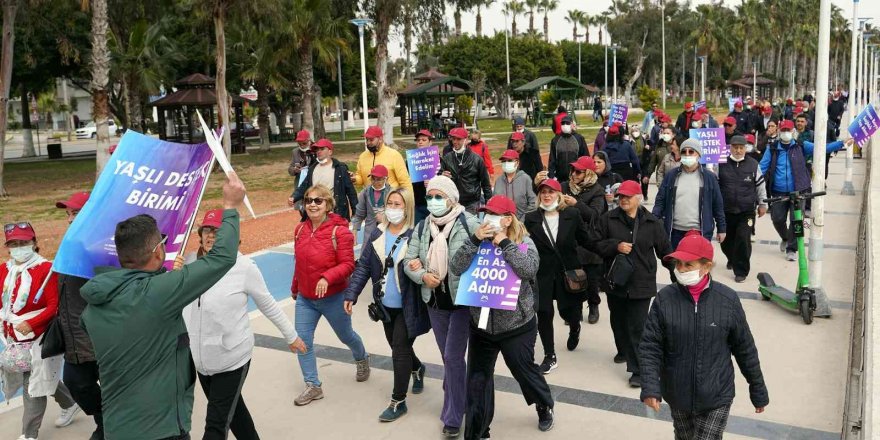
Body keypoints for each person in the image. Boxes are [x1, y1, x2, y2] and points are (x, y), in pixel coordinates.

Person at [79, 173, 246, 440]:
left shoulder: (93, 306)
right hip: (162, 429)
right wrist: (230, 206)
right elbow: (222, 258)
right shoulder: (157, 294)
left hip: (117, 427)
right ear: (158, 252)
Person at [176, 210, 306, 439]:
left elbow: (267, 303)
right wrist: (170, 274)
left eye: (217, 231)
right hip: (200, 360)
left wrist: (291, 335)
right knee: (234, 414)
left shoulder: (243, 266)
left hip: (232, 359)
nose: (211, 236)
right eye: (207, 230)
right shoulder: (188, 264)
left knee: (215, 426)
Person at [641, 231, 769, 439]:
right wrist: (650, 387)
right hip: (677, 393)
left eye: (688, 265)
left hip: (716, 395)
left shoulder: (727, 300)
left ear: (707, 266)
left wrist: (758, 389)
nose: (681, 269)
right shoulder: (664, 299)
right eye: (678, 264)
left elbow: (745, 348)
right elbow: (650, 346)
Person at [450, 196, 555, 438]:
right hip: (481, 326)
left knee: (524, 372)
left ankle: (543, 403)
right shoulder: (477, 242)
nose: (488, 219)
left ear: (508, 219)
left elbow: (529, 269)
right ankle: (478, 430)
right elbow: (456, 267)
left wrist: (505, 243)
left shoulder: (524, 242)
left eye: (494, 215)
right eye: (486, 214)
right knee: (477, 381)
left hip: (516, 326)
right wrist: (475, 240)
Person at [343, 188, 430, 422]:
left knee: (399, 350)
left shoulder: (417, 235)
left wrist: (419, 266)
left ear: (407, 208)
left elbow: (429, 265)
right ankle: (418, 368)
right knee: (397, 346)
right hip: (384, 306)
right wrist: (351, 293)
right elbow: (363, 267)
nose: (392, 208)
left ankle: (398, 401)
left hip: (408, 306)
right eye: (390, 203)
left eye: (398, 204)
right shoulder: (376, 235)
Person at [403, 175, 480, 438]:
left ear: (452, 198)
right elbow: (409, 259)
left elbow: (482, 258)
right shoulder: (424, 226)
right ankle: (464, 396)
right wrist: (422, 275)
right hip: (434, 303)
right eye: (430, 197)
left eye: (439, 197)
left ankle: (453, 416)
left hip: (461, 305)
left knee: (452, 358)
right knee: (451, 360)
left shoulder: (469, 223)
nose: (433, 201)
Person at [290, 184, 369, 406]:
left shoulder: (340, 232)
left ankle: (361, 357)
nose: (312, 204)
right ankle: (313, 385)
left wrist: (327, 277)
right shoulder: (300, 230)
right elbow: (299, 263)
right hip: (306, 299)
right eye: (308, 200)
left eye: (318, 200)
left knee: (346, 336)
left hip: (334, 297)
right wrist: (295, 288)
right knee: (302, 341)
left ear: (328, 205)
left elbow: (348, 264)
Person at [1, 222, 79, 440]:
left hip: (40, 336)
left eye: (24, 242)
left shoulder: (47, 269)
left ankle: (29, 434)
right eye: (14, 243)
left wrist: (33, 323)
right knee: (42, 378)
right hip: (13, 336)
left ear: (34, 243)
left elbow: (54, 305)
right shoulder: (5, 270)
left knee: (33, 385)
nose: (19, 247)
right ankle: (70, 402)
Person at [593, 181, 672, 387]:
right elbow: (595, 244)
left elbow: (665, 252)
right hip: (615, 281)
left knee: (638, 327)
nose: (624, 200)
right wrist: (615, 246)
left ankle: (638, 370)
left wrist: (679, 272)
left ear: (639, 198)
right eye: (621, 196)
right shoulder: (607, 220)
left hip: (641, 282)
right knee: (618, 322)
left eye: (628, 196)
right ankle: (623, 349)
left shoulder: (653, 223)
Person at [524, 179, 592, 373]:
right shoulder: (531, 218)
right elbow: (523, 243)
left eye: (551, 192)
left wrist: (609, 248)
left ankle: (574, 326)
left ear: (559, 194)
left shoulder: (572, 214)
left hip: (567, 273)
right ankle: (550, 354)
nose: (546, 195)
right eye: (543, 192)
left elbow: (586, 240)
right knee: (544, 313)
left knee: (568, 311)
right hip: (543, 275)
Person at [759, 120, 849, 261]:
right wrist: (753, 180)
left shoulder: (801, 146)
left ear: (793, 131)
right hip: (778, 191)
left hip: (798, 191)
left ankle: (792, 248)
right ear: (779, 132)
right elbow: (762, 168)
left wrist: (841, 143)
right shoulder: (772, 148)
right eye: (783, 130)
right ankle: (785, 237)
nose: (786, 133)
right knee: (777, 219)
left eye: (788, 130)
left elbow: (821, 149)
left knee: (797, 221)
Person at [54, 192, 103, 439]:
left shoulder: (101, 245)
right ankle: (107, 420)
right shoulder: (70, 243)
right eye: (69, 214)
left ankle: (107, 425)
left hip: (99, 337)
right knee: (76, 383)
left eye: (75, 212)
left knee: (112, 388)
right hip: (74, 339)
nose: (70, 218)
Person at [652, 138, 727, 249]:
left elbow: (718, 205)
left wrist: (722, 228)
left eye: (691, 151)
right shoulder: (671, 176)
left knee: (696, 265)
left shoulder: (709, 178)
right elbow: (660, 201)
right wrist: (652, 221)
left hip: (698, 231)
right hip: (675, 232)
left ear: (699, 154)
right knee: (679, 265)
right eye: (684, 151)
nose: (687, 154)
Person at [560, 156, 606, 324]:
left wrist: (576, 204)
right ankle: (576, 310)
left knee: (592, 279)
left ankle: (594, 305)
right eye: (573, 170)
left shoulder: (597, 190)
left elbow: (595, 215)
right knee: (573, 277)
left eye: (579, 172)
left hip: (589, 241)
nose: (574, 174)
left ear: (588, 173)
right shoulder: (565, 187)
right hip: (570, 239)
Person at [718, 136, 768, 283]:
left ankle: (741, 270)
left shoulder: (753, 165)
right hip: (726, 210)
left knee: (743, 239)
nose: (738, 150)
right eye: (735, 147)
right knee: (726, 241)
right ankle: (732, 258)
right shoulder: (721, 164)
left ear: (745, 148)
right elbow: (714, 185)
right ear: (730, 148)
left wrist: (763, 204)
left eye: (741, 147)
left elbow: (760, 185)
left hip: (746, 211)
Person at [291, 138, 358, 220]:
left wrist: (356, 212)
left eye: (322, 149)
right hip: (316, 212)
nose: (318, 151)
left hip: (336, 213)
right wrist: (293, 197)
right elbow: (304, 186)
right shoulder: (312, 168)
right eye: (317, 149)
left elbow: (350, 191)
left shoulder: (340, 168)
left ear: (330, 152)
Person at [440, 127, 492, 214]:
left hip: (472, 203)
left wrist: (489, 205)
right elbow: (439, 176)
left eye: (458, 139)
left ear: (466, 140)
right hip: (453, 202)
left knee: (470, 226)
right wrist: (442, 175)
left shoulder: (477, 159)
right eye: (453, 139)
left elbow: (486, 184)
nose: (455, 142)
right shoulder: (447, 158)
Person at [353, 125, 413, 191]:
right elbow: (361, 178)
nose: (368, 143)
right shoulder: (362, 156)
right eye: (367, 140)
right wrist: (354, 179)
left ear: (380, 139)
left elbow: (405, 182)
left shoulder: (394, 155)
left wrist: (409, 199)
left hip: (390, 199)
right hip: (370, 199)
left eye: (371, 140)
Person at [351, 165, 393, 245]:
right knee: (367, 255)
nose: (375, 182)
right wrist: (354, 233)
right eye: (373, 179)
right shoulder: (365, 192)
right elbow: (359, 214)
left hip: (387, 232)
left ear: (386, 179)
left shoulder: (392, 192)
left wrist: (385, 219)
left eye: (379, 179)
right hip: (369, 233)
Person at [494, 149, 537, 220]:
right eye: (504, 161)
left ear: (517, 162)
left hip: (522, 223)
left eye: (509, 160)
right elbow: (495, 204)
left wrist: (522, 221)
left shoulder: (525, 179)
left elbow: (533, 203)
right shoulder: (498, 181)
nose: (506, 163)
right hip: (503, 223)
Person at [547, 116, 587, 184]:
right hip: (560, 178)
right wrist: (551, 175)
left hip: (576, 177)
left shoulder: (579, 138)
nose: (565, 125)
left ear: (572, 125)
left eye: (567, 123)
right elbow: (552, 159)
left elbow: (585, 156)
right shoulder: (555, 140)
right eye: (563, 123)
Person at [412, 129, 437, 224]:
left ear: (430, 142)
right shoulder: (411, 161)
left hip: (434, 204)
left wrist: (433, 181)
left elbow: (442, 179)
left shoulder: (438, 160)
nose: (420, 142)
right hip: (418, 204)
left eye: (424, 140)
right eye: (418, 140)